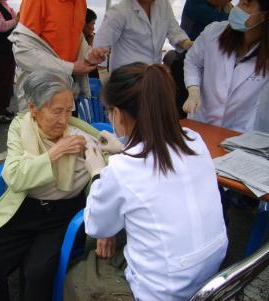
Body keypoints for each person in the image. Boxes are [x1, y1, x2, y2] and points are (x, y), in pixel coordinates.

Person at [76, 62, 228, 300]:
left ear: (116, 114)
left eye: (108, 111)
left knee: (77, 278)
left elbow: (97, 226)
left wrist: (97, 172)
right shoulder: (194, 139)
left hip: (164, 289)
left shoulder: (122, 168)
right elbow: (155, 163)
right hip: (213, 273)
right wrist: (124, 148)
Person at [0, 70, 111, 301]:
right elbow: (14, 177)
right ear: (33, 108)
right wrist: (56, 152)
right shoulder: (20, 128)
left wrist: (107, 226)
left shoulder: (80, 135)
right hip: (24, 207)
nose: (64, 119)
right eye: (56, 111)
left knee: (37, 273)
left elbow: (107, 173)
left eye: (69, 110)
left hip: (62, 214)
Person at [183, 0, 269, 132]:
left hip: (239, 135)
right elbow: (192, 61)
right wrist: (193, 90)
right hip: (201, 124)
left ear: (263, 15)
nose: (237, 9)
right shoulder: (214, 32)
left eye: (245, 5)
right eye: (239, 2)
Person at [8, 0, 108, 112]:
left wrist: (88, 54)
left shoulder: (81, 3)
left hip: (66, 91)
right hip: (39, 93)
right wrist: (71, 68)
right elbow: (22, 52)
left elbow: (75, 34)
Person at [93, 0, 193, 72]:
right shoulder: (119, 11)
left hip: (153, 75)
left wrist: (186, 43)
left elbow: (174, 31)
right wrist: (106, 83)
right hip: (126, 80)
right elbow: (99, 47)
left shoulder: (163, 5)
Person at [83, 8, 99, 79]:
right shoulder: (77, 40)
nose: (93, 28)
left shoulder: (87, 38)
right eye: (92, 24)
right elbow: (87, 61)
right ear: (84, 24)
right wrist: (90, 42)